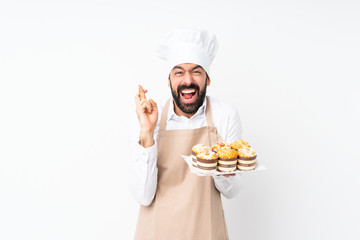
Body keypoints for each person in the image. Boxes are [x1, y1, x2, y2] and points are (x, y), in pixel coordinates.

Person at [129, 28, 243, 240]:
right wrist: (147, 134)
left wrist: (220, 163)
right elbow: (143, 196)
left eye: (196, 71)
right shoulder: (148, 117)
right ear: (169, 80)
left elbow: (232, 190)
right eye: (179, 72)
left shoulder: (224, 115)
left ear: (207, 79)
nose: (187, 80)